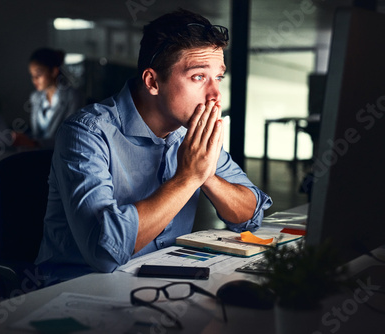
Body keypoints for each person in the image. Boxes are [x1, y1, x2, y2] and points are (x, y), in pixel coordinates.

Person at [35, 9, 272, 285]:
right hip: (77, 290)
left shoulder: (190, 131)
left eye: (218, 77)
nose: (216, 94)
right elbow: (103, 252)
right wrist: (188, 178)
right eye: (198, 77)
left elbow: (251, 216)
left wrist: (206, 175)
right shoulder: (86, 132)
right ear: (153, 81)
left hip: (157, 283)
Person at [13, 47, 82, 148]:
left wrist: (35, 143)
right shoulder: (35, 97)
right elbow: (37, 133)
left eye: (38, 74)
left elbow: (70, 136)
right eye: (32, 75)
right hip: (37, 154)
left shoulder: (73, 97)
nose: (34, 80)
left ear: (54, 72)